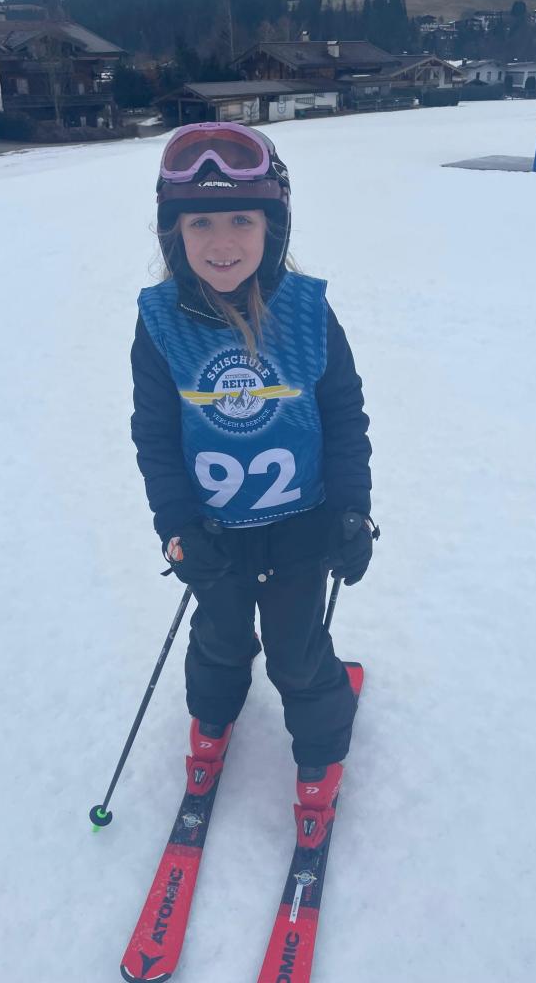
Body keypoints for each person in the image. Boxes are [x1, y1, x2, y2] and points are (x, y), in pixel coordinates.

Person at [130, 122, 377, 846]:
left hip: (300, 527)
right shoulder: (160, 324)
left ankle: (320, 756)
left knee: (297, 655)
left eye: (242, 218)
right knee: (219, 640)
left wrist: (352, 510)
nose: (222, 241)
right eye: (199, 223)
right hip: (213, 534)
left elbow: (343, 414)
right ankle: (212, 720)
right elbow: (155, 436)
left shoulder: (306, 313)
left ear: (274, 226)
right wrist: (176, 527)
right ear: (174, 233)